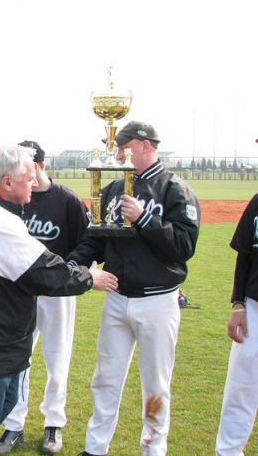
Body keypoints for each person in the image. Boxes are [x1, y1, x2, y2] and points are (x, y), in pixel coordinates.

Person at [0, 145, 117, 455]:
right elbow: (43, 272)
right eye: (28, 179)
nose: (34, 184)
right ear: (7, 182)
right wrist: (89, 277)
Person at [67, 121, 200, 456]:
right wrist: (74, 265)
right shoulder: (113, 189)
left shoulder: (173, 188)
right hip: (116, 297)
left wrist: (144, 219)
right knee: (105, 379)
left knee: (155, 385)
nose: (118, 151)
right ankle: (95, 448)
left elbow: (183, 246)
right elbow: (95, 239)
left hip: (157, 300)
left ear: (145, 145)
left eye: (124, 145)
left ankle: (154, 450)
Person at [0, 140, 90, 454]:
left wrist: (67, 274)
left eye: (22, 162)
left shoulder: (68, 201)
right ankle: (14, 425)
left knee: (57, 358)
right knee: (18, 358)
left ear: (36, 164)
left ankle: (53, 424)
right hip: (20, 292)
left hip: (57, 293)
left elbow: (88, 247)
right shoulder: (14, 197)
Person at [215, 190, 258, 455]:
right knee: (241, 386)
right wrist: (238, 303)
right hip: (254, 305)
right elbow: (245, 255)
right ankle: (228, 451)